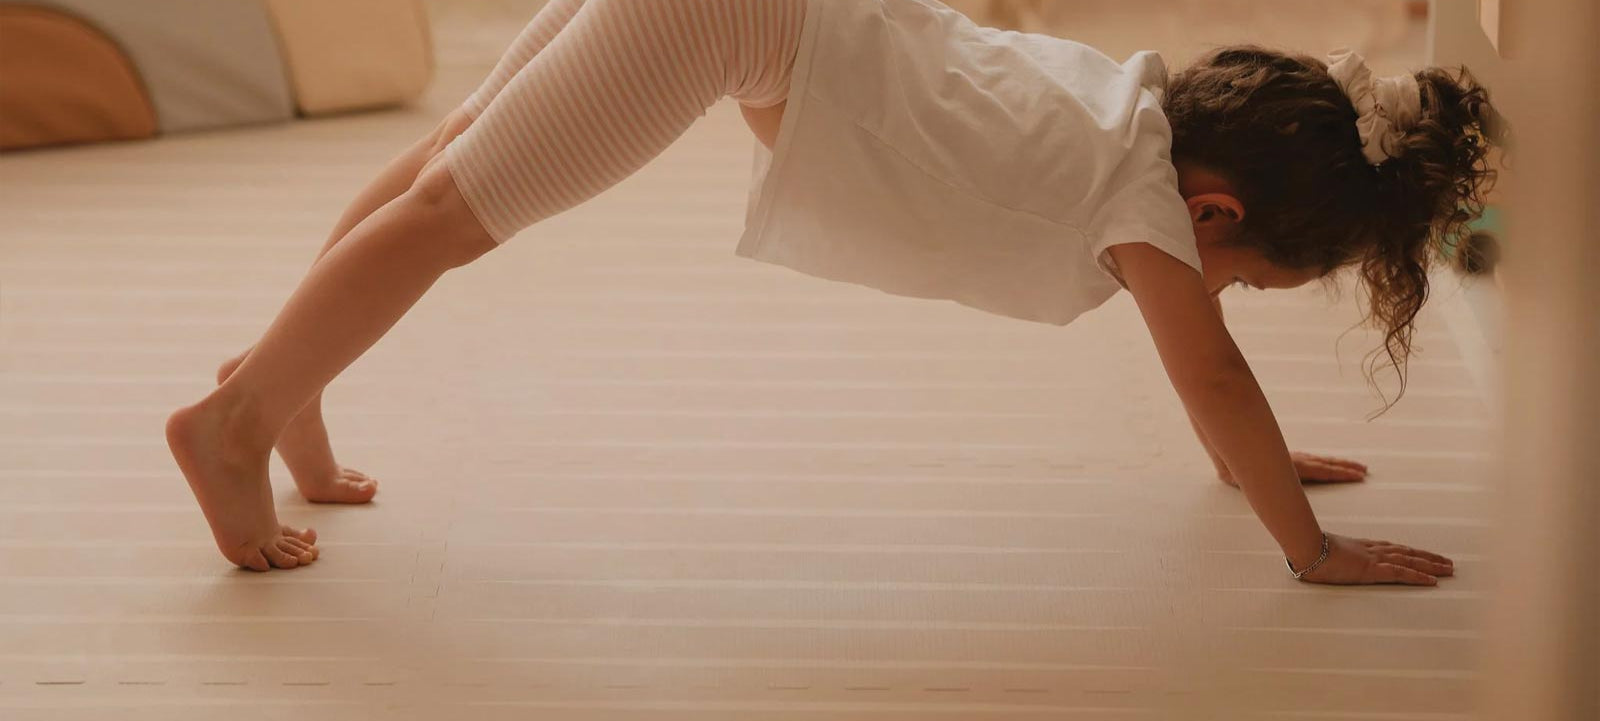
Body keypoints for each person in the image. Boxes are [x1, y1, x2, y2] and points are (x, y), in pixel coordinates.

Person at [168, 0, 1494, 585]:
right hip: (729, 17)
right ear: (1216, 214)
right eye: (1243, 280)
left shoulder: (1130, 104)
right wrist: (1305, 549)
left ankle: (278, 387)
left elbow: (1210, 390)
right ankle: (236, 426)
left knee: (448, 165)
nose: (1214, 302)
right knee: (455, 211)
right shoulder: (1147, 207)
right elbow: (1209, 374)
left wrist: (1249, 468)